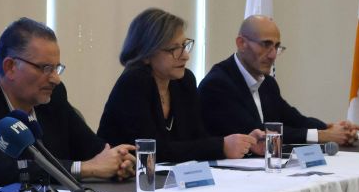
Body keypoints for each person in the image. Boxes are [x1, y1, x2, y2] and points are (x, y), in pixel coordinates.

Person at [0, 17, 135, 187]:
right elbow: (1, 171)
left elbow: (93, 149)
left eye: (57, 68)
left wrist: (119, 160)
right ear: (10, 67)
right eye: (46, 68)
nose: (56, 79)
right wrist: (86, 168)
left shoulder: (52, 96)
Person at [98, 8, 262, 163]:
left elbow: (198, 138)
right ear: (146, 54)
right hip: (123, 178)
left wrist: (245, 143)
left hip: (166, 178)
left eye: (184, 46)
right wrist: (221, 146)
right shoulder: (133, 83)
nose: (185, 56)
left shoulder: (183, 81)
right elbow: (152, 151)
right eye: (174, 49)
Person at [199, 15, 359, 145]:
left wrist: (331, 127)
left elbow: (294, 119)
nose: (272, 55)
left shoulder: (267, 83)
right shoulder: (218, 84)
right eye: (266, 44)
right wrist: (323, 135)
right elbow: (257, 133)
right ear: (241, 43)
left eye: (276, 47)